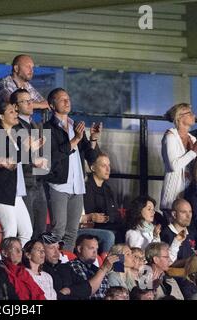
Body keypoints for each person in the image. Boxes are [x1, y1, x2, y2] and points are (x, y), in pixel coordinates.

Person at [43, 88, 101, 251]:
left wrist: (93, 139)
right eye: (62, 99)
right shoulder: (46, 128)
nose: (67, 102)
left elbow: (91, 157)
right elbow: (50, 159)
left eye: (68, 98)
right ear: (52, 105)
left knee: (72, 232)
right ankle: (47, 259)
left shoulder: (75, 126)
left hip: (77, 185)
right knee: (57, 230)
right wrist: (74, 139)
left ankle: (65, 262)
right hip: (58, 185)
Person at [0, 102, 33, 246]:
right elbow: (10, 162)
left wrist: (30, 151)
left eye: (15, 111)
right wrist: (27, 149)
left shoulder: (12, 134)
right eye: (11, 112)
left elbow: (18, 160)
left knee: (26, 231)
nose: (16, 114)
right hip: (0, 190)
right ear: (1, 116)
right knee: (10, 230)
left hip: (14, 191)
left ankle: (18, 262)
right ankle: (5, 264)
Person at [160, 103, 197, 223]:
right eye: (190, 113)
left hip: (190, 192)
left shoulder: (192, 138)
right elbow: (174, 165)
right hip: (174, 195)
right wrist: (194, 150)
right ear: (180, 117)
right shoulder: (170, 136)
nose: (194, 116)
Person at [11, 88, 48, 239]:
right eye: (25, 101)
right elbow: (13, 156)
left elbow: (41, 154)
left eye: (31, 100)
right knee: (27, 230)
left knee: (40, 230)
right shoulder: (13, 126)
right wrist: (32, 161)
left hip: (38, 182)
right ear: (15, 106)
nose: (30, 103)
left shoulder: (36, 125)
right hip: (23, 184)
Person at [81, 152, 122, 251]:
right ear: (93, 168)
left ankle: (119, 265)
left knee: (125, 231)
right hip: (90, 227)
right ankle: (108, 263)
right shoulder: (85, 187)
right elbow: (88, 213)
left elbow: (114, 213)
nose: (108, 169)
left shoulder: (108, 189)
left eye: (109, 165)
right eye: (104, 166)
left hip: (108, 225)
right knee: (112, 235)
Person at [38, 232, 91, 300]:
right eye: (52, 248)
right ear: (41, 251)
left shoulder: (65, 267)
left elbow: (87, 288)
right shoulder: (39, 272)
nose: (57, 252)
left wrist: (68, 290)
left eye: (58, 248)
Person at [69, 234, 119, 299]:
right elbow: (87, 291)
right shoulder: (73, 266)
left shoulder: (96, 269)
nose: (95, 252)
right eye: (91, 248)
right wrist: (103, 269)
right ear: (79, 249)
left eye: (97, 249)